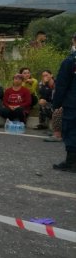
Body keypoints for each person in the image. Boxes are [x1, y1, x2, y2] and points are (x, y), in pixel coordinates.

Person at [51, 32, 76, 172]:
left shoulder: (70, 61)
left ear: (74, 41)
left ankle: (71, 163)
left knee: (71, 131)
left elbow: (61, 85)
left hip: (73, 103)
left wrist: (57, 104)